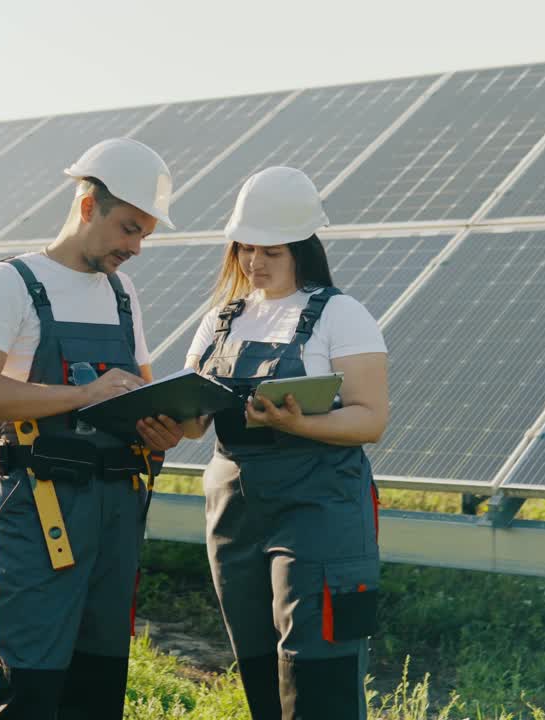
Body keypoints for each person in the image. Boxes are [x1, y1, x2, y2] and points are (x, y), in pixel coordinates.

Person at [0, 137, 185, 720]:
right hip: (39, 511)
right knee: (26, 688)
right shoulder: (9, 282)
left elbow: (141, 390)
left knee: (97, 689)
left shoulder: (122, 293)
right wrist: (82, 395)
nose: (135, 247)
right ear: (88, 206)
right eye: (129, 229)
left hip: (114, 513)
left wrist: (164, 428)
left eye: (144, 235)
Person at [181, 166, 390, 719]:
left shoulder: (341, 315)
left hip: (318, 504)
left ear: (302, 247)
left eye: (270, 251)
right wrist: (164, 420)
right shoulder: (218, 321)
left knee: (317, 664)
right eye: (245, 248)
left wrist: (298, 425)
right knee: (258, 664)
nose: (253, 263)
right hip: (233, 508)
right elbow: (192, 418)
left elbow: (370, 419)